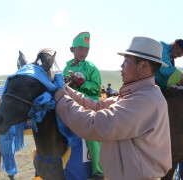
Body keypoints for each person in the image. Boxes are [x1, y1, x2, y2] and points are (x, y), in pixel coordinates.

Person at [54, 36, 172, 179]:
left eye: (126, 61)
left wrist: (61, 100)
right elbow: (97, 106)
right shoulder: (135, 94)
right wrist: (65, 90)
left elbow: (96, 124)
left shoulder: (145, 100)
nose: (121, 66)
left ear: (143, 66)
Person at [63, 32, 103, 179]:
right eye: (80, 49)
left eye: (86, 50)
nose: (83, 52)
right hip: (69, 105)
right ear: (72, 50)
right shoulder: (66, 68)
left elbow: (96, 88)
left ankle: (98, 171)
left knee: (92, 136)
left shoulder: (91, 67)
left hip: (89, 106)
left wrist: (82, 83)